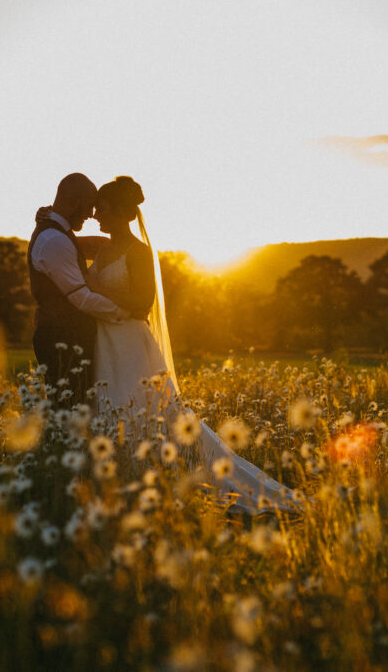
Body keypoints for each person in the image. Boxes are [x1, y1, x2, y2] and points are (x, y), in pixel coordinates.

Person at [86, 176, 299, 515]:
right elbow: (65, 243)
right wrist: (47, 223)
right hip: (107, 344)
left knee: (150, 412)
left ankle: (220, 486)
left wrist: (94, 286)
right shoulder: (103, 247)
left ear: (119, 211)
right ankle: (131, 487)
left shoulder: (139, 252)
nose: (96, 213)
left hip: (131, 345)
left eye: (101, 207)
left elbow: (142, 302)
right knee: (114, 414)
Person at [26, 173, 129, 403]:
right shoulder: (55, 239)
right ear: (74, 201)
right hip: (62, 338)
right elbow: (80, 297)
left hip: (69, 337)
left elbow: (103, 247)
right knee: (69, 410)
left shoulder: (60, 234)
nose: (92, 215)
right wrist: (125, 313)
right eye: (88, 206)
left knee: (73, 408)